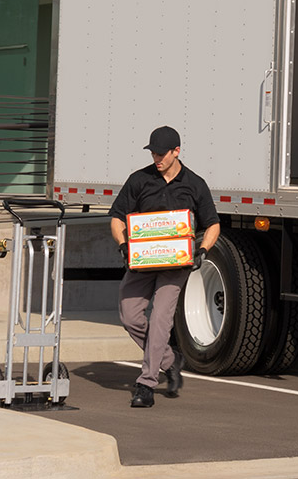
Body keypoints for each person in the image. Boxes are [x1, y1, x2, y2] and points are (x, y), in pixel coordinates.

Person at [109, 125, 221, 408]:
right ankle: (170, 360)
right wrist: (124, 245)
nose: (156, 158)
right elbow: (117, 218)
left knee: (160, 318)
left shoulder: (194, 184)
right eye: (153, 153)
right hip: (142, 261)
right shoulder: (139, 179)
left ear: (176, 152)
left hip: (176, 265)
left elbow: (213, 224)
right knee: (130, 315)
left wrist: (202, 251)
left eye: (161, 154)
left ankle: (146, 383)